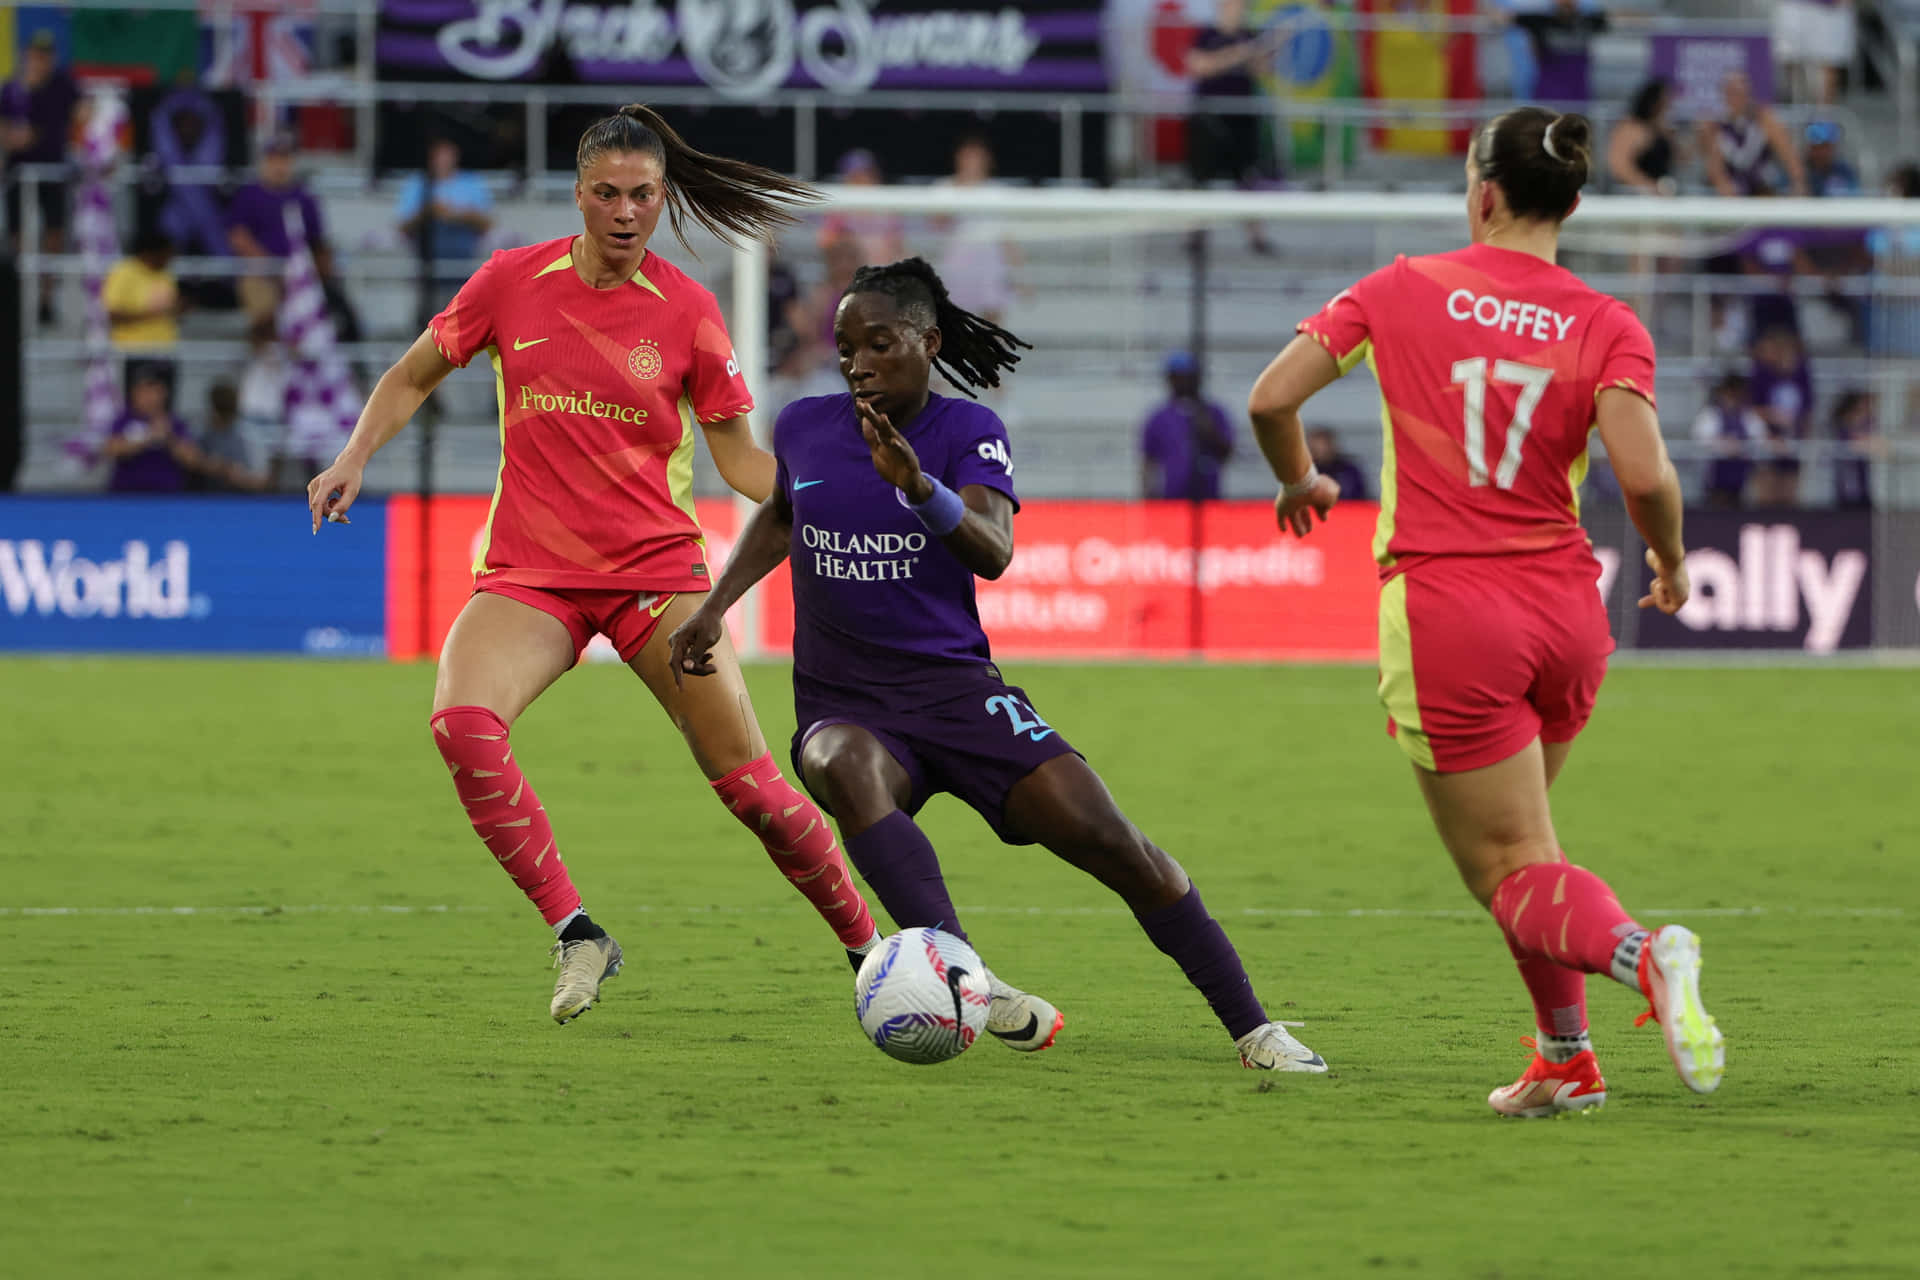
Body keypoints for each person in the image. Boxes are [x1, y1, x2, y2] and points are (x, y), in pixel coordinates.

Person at [667, 257, 1328, 1074]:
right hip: (845, 703)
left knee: (1113, 841)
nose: (858, 363)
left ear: (928, 341)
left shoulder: (966, 432)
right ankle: (965, 976)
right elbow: (782, 515)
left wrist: (916, 487)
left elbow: (995, 551)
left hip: (957, 695)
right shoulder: (806, 423)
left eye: (879, 344)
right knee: (844, 766)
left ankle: (1255, 1028)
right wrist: (713, 606)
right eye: (845, 348)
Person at [305, 104, 881, 1025]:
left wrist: (835, 494)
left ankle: (874, 953)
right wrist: (352, 456)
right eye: (607, 193)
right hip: (533, 575)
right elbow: (414, 373)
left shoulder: (688, 311)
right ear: (579, 195)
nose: (624, 211)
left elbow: (736, 460)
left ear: (662, 198)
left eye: (642, 195)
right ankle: (577, 931)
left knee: (754, 791)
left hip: (657, 576)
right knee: (461, 724)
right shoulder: (509, 282)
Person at [1246, 108, 1724, 1116]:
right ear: (1577, 202)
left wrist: (1301, 482)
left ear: (1483, 193)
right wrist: (1672, 562)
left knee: (1506, 866)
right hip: (1567, 612)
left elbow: (1269, 398)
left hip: (1450, 611)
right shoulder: (1606, 322)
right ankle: (1566, 1056)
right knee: (1531, 851)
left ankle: (1645, 955)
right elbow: (1645, 473)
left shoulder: (1397, 287)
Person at [1, 30, 80, 327]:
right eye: (35, 55)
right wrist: (9, 139)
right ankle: (18, 297)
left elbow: (64, 118)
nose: (39, 61)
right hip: (18, 172)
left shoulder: (62, 85)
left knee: (54, 235)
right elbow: (5, 123)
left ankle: (47, 299)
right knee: (17, 236)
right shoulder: (11, 87)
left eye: (45, 56)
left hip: (52, 169)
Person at [227, 134, 327, 325]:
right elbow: (238, 236)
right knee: (261, 305)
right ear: (265, 161)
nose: (279, 165)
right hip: (260, 272)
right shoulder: (250, 194)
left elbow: (317, 240)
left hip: (299, 273)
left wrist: (301, 271)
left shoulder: (304, 197)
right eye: (274, 159)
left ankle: (301, 351)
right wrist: (271, 266)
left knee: (310, 306)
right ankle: (267, 351)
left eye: (284, 159)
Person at [395, 136, 495, 313]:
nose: (444, 160)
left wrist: (456, 215)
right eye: (439, 155)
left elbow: (487, 223)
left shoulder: (471, 182)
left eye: (447, 154)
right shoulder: (418, 183)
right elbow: (403, 226)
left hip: (463, 248)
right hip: (427, 249)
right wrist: (428, 211)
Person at [1138, 351, 1234, 501]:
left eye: (1188, 377)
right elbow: (1148, 462)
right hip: (1171, 501)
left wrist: (1210, 433)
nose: (1183, 382)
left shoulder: (1214, 413)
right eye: (1177, 377)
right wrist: (1148, 495)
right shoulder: (1159, 418)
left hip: (1208, 499)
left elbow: (1227, 453)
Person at [1701, 72, 1805, 198]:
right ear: (1725, 96)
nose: (1736, 99)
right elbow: (1715, 170)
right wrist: (1727, 193)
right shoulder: (1717, 127)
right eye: (1732, 93)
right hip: (1733, 194)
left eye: (1740, 93)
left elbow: (1789, 156)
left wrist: (1798, 184)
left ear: (1748, 94)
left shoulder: (1765, 121)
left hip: (1764, 191)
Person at [103, 365, 205, 493]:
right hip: (127, 493)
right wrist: (147, 437)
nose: (149, 397)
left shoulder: (174, 423)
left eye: (154, 391)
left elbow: (192, 460)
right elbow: (110, 449)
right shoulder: (124, 419)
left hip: (166, 495)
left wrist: (169, 438)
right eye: (144, 391)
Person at [1749, 325, 1813, 506]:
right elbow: (1752, 409)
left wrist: (1802, 437)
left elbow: (1807, 411)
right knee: (1767, 495)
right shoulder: (1761, 373)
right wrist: (1773, 419)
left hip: (1792, 440)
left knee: (1789, 496)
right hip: (1767, 439)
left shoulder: (1802, 374)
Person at [103, 229, 182, 369]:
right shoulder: (124, 272)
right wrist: (153, 314)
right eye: (167, 253)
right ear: (152, 252)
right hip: (133, 353)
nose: (170, 258)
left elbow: (171, 312)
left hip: (165, 352)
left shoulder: (167, 274)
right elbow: (113, 315)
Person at [1691, 371, 1766, 509]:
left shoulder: (1748, 416)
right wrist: (1724, 445)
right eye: (1729, 394)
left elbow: (1759, 439)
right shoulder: (1711, 415)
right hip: (1715, 479)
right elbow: (1701, 439)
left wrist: (1740, 447)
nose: (1732, 399)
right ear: (1722, 393)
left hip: (1741, 482)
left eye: (1736, 395)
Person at [1514, 0, 1608, 105]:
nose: (1566, 2)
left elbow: (1619, 19)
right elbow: (1506, 18)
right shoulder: (1539, 21)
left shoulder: (1590, 21)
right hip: (1548, 88)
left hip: (1578, 89)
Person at [1774, 0, 1856, 106]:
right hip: (1794, 6)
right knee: (1790, 58)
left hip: (1832, 9)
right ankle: (1799, 109)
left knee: (1829, 61)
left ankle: (1824, 115)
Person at [1606, 79, 1678, 195]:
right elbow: (1619, 165)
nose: (1669, 105)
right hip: (1634, 196)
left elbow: (1681, 160)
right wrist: (1649, 186)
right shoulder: (1631, 128)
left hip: (1661, 194)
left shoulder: (1663, 129)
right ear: (1653, 102)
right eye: (1665, 100)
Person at [194, 381, 268, 492]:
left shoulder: (247, 435)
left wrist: (239, 477)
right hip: (206, 497)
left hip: (242, 499)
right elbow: (193, 461)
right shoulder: (202, 432)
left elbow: (262, 482)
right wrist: (211, 466)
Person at [1829, 389, 1877, 509]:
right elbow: (1854, 444)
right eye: (1859, 410)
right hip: (1848, 485)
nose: (1864, 414)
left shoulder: (1866, 425)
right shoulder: (1842, 429)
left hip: (1862, 486)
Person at [1308, 427, 1367, 501]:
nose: (1322, 450)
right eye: (1317, 447)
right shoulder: (1305, 472)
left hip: (1346, 510)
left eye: (1325, 445)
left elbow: (1361, 498)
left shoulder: (1350, 470)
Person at [1803, 121, 1860, 197]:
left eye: (1825, 146)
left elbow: (1855, 196)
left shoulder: (1844, 171)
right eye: (1817, 147)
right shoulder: (1800, 171)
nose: (1821, 152)